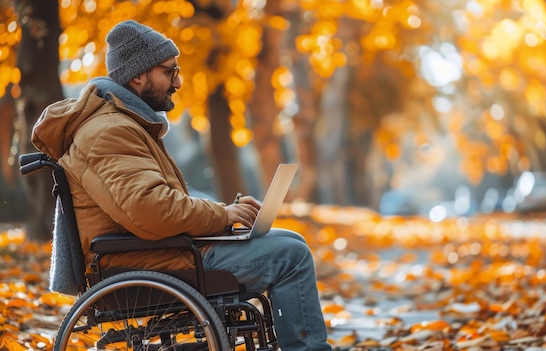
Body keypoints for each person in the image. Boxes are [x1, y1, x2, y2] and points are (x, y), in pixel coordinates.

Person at [32, 20, 332, 351]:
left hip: (158, 250)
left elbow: (153, 203)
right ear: (138, 75)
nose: (178, 82)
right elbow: (152, 209)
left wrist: (225, 213)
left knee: (289, 240)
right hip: (148, 258)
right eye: (169, 72)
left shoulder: (123, 125)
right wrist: (222, 214)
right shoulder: (110, 131)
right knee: (290, 255)